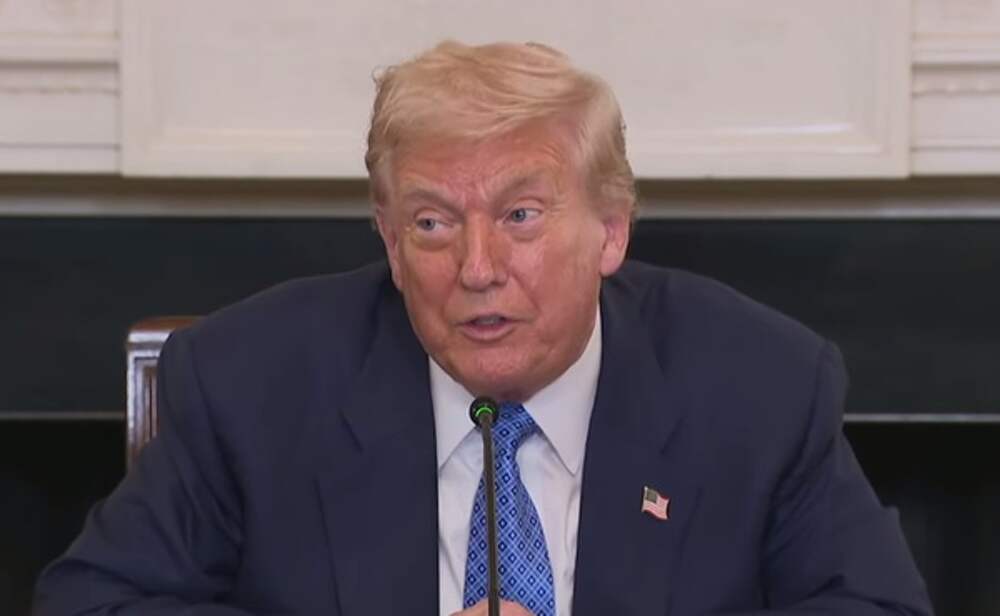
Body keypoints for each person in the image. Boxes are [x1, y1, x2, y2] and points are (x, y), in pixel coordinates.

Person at [34, 41, 933, 616]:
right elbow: (90, 601)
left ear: (611, 230)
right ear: (390, 242)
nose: (476, 267)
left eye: (521, 216)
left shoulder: (760, 385)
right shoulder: (251, 381)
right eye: (431, 223)